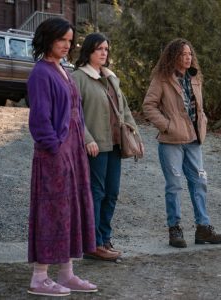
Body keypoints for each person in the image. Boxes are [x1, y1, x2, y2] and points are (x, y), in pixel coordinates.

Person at [27, 17, 97, 296]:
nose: (67, 45)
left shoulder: (64, 69)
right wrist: (54, 148)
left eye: (70, 41)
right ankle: (39, 277)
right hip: (53, 156)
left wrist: (76, 148)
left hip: (73, 154)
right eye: (62, 40)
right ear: (48, 39)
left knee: (70, 212)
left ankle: (66, 274)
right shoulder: (41, 73)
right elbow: (40, 118)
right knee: (51, 213)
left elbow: (76, 113)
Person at [142, 38, 221, 248]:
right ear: (174, 57)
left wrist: (203, 122)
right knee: (174, 186)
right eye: (183, 54)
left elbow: (198, 107)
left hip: (194, 140)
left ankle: (203, 228)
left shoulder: (195, 77)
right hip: (171, 141)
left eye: (190, 54)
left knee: (199, 183)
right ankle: (175, 229)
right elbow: (148, 106)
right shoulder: (162, 79)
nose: (188, 58)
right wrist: (168, 126)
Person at [72, 33, 144, 260]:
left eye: (106, 49)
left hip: (115, 144)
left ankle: (104, 239)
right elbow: (73, 113)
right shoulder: (78, 78)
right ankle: (91, 243)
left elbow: (124, 109)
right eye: (99, 49)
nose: (104, 53)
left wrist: (135, 135)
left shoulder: (112, 77)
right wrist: (86, 138)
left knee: (111, 193)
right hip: (95, 146)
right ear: (88, 52)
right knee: (97, 192)